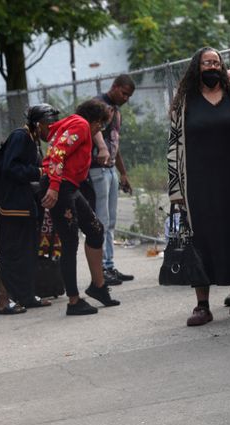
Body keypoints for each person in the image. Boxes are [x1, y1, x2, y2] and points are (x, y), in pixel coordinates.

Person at [167, 47, 230, 325]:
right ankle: (202, 305)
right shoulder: (184, 104)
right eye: (206, 63)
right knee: (199, 240)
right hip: (197, 186)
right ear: (196, 68)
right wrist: (176, 191)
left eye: (216, 62)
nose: (212, 67)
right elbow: (173, 147)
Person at [42, 99, 120, 315]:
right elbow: (58, 152)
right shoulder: (81, 125)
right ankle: (74, 301)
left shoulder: (76, 124)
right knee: (69, 242)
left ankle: (98, 287)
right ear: (95, 121)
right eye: (101, 125)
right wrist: (55, 187)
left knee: (95, 230)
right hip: (61, 186)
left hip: (70, 186)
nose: (100, 130)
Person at [0, 104, 60, 315]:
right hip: (12, 208)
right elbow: (10, 167)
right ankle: (4, 301)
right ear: (39, 124)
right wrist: (39, 171)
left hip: (25, 206)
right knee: (11, 253)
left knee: (28, 252)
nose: (53, 129)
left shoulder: (32, 139)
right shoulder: (20, 136)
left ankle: (26, 296)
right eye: (50, 125)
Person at [89, 74, 136, 287]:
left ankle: (109, 265)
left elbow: (115, 144)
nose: (126, 98)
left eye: (129, 95)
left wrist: (123, 174)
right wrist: (102, 147)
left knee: (111, 221)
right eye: (123, 93)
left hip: (110, 171)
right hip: (97, 169)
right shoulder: (99, 104)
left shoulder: (116, 112)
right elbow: (95, 129)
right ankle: (102, 270)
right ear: (114, 87)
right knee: (102, 222)